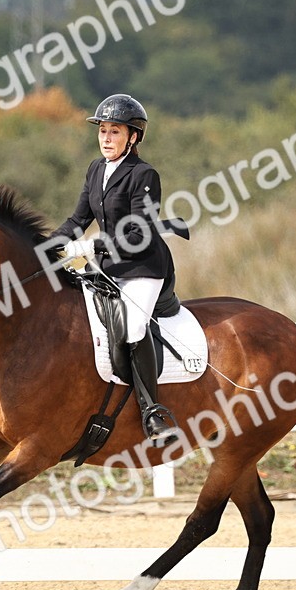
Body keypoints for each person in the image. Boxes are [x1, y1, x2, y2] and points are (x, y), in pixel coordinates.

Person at [49, 93, 187, 448]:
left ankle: (153, 411)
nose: (106, 138)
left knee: (133, 326)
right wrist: (48, 247)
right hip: (109, 266)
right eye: (103, 131)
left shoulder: (144, 174)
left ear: (133, 137)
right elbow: (78, 218)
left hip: (143, 267)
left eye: (114, 132)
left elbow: (138, 232)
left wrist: (92, 245)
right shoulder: (96, 169)